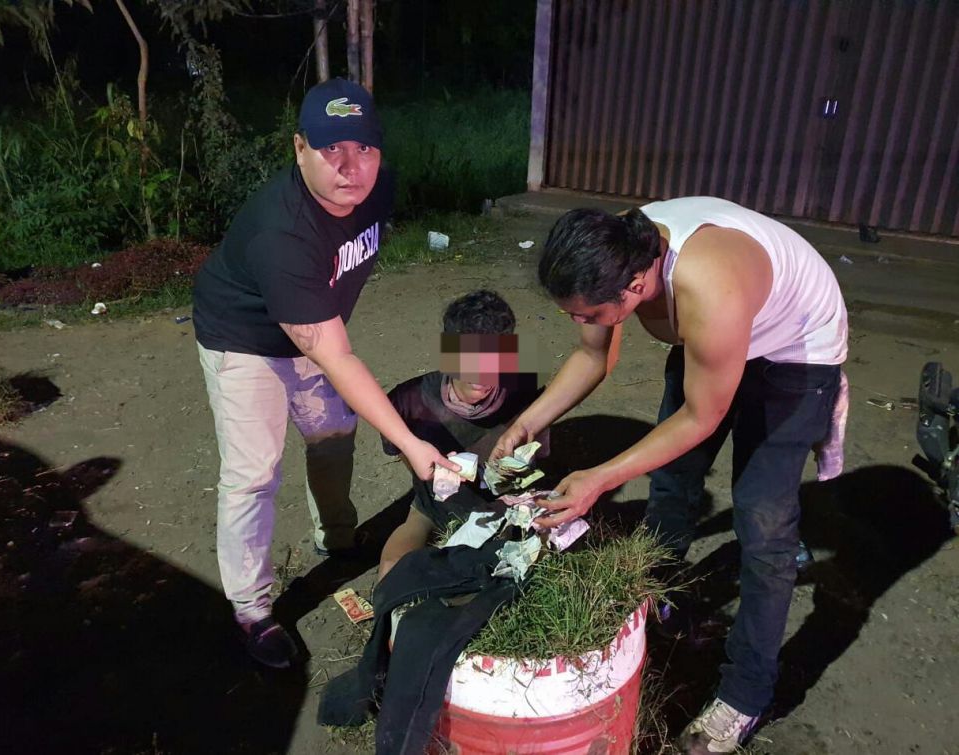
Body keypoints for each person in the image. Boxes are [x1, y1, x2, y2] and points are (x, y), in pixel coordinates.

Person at [492, 198, 847, 753]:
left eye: (587, 315)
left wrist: (599, 478)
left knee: (763, 522)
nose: (580, 324)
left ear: (635, 287)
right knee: (673, 480)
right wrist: (525, 424)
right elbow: (592, 359)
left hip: (794, 352)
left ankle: (745, 694)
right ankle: (662, 603)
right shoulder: (613, 252)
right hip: (710, 338)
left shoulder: (707, 285)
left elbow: (702, 417)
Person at [193, 78, 457, 669]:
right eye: (330, 148)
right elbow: (337, 357)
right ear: (299, 148)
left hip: (312, 322)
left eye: (363, 148)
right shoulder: (282, 233)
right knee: (253, 473)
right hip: (243, 337)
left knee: (335, 434)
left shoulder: (377, 189)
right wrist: (412, 443)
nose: (349, 166)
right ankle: (251, 609)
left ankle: (336, 537)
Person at [377, 289, 546, 580]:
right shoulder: (407, 401)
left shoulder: (525, 390)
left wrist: (508, 476)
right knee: (393, 572)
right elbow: (405, 455)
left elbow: (536, 459)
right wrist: (434, 476)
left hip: (504, 507)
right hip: (434, 507)